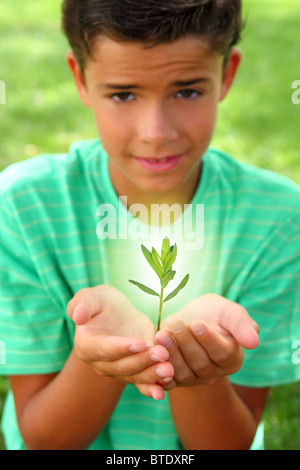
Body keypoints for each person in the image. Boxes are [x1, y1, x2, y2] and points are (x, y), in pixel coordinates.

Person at [0, 0, 299, 451]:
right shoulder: (23, 210)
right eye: (123, 94)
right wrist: (96, 359)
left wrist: (197, 369)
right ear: (80, 78)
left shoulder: (278, 220)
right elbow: (45, 439)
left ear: (227, 73)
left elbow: (226, 443)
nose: (155, 132)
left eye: (187, 91)